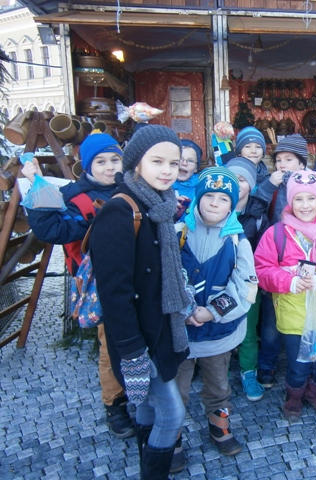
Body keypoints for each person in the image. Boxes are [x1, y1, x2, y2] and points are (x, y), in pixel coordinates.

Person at [90, 125, 193, 479]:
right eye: (157, 161)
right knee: (172, 415)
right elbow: (114, 295)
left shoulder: (162, 205)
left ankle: (146, 459)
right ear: (137, 162)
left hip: (161, 327)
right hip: (138, 338)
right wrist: (132, 351)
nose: (167, 170)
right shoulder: (120, 212)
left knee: (148, 408)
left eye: (174, 163)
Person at [21, 133, 135, 439]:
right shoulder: (76, 197)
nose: (110, 167)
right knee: (112, 345)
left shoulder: (133, 188)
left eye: (115, 160)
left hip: (136, 276)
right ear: (87, 165)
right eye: (101, 162)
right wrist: (35, 184)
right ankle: (115, 403)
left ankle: (143, 392)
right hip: (102, 284)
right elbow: (53, 229)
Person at [254, 170, 316, 420]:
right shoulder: (276, 234)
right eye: (298, 199)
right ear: (290, 201)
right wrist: (290, 282)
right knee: (297, 365)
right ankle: (295, 396)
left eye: (311, 198)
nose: (305, 205)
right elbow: (262, 269)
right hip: (293, 317)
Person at [174, 166, 258, 456]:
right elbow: (163, 278)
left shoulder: (237, 242)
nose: (214, 203)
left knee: (218, 384)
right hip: (180, 332)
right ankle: (171, 433)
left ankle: (219, 424)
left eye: (223, 199)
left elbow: (245, 286)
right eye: (208, 195)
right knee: (176, 387)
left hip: (218, 333)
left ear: (232, 205)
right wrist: (181, 311)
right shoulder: (177, 233)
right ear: (198, 197)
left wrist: (211, 312)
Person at [252, 134, 316, 389]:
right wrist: (269, 186)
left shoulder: (315, 186)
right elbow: (256, 210)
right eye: (278, 160)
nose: (282, 164)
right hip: (276, 257)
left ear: (302, 163)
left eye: (288, 159)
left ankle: (308, 369)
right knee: (271, 322)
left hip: (308, 266)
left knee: (306, 319)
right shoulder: (274, 184)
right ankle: (267, 364)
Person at [225, 157, 270, 402]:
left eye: (242, 180)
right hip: (219, 281)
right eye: (231, 179)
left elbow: (264, 251)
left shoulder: (258, 214)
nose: (236, 184)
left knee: (248, 330)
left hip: (247, 282)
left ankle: (248, 371)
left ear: (251, 185)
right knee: (220, 327)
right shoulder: (214, 206)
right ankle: (217, 374)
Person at [174, 139, 203, 220]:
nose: (184, 163)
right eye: (180, 158)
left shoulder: (201, 189)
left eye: (190, 161)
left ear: (196, 168)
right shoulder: (160, 186)